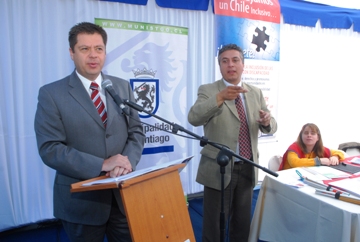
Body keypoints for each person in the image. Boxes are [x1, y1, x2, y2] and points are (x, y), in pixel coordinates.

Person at [34, 22, 145, 242]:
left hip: (123, 198)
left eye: (99, 48)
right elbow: (50, 149)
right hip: (81, 204)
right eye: (84, 49)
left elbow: (137, 132)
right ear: (71, 53)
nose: (93, 55)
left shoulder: (122, 87)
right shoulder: (51, 94)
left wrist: (126, 163)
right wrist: (103, 165)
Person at [188, 44, 277, 242]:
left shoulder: (254, 92)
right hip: (218, 168)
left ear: (243, 65)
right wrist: (219, 98)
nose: (231, 65)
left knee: (242, 225)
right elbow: (194, 117)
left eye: (235, 60)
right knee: (214, 227)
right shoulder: (208, 90)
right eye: (225, 61)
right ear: (219, 66)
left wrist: (267, 121)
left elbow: (271, 124)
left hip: (247, 167)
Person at [279, 123, 344, 170]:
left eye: (313, 133)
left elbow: (340, 153)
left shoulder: (319, 148)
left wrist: (335, 156)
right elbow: (295, 163)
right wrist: (319, 161)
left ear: (318, 137)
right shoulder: (294, 147)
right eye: (306, 133)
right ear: (301, 136)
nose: (309, 135)